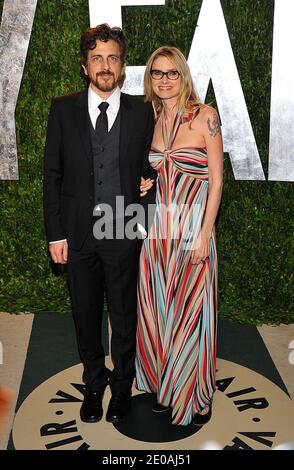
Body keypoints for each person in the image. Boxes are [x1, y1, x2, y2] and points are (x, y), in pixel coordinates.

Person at [43, 24, 156, 424]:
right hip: (76, 235)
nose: (105, 66)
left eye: (112, 58)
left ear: (123, 65)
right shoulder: (62, 109)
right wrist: (55, 233)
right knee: (85, 315)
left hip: (123, 228)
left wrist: (149, 189)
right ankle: (94, 384)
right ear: (84, 65)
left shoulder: (143, 112)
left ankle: (122, 387)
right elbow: (52, 174)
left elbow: (150, 167)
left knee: (124, 316)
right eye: (97, 58)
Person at [135, 46, 223, 426]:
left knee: (193, 314)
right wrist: (144, 183)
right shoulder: (148, 118)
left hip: (193, 232)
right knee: (160, 311)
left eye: (172, 73)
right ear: (150, 79)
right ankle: (165, 384)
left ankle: (196, 395)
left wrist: (204, 235)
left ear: (183, 75)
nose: (165, 80)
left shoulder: (205, 117)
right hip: (158, 233)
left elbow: (217, 180)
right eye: (158, 73)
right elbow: (151, 171)